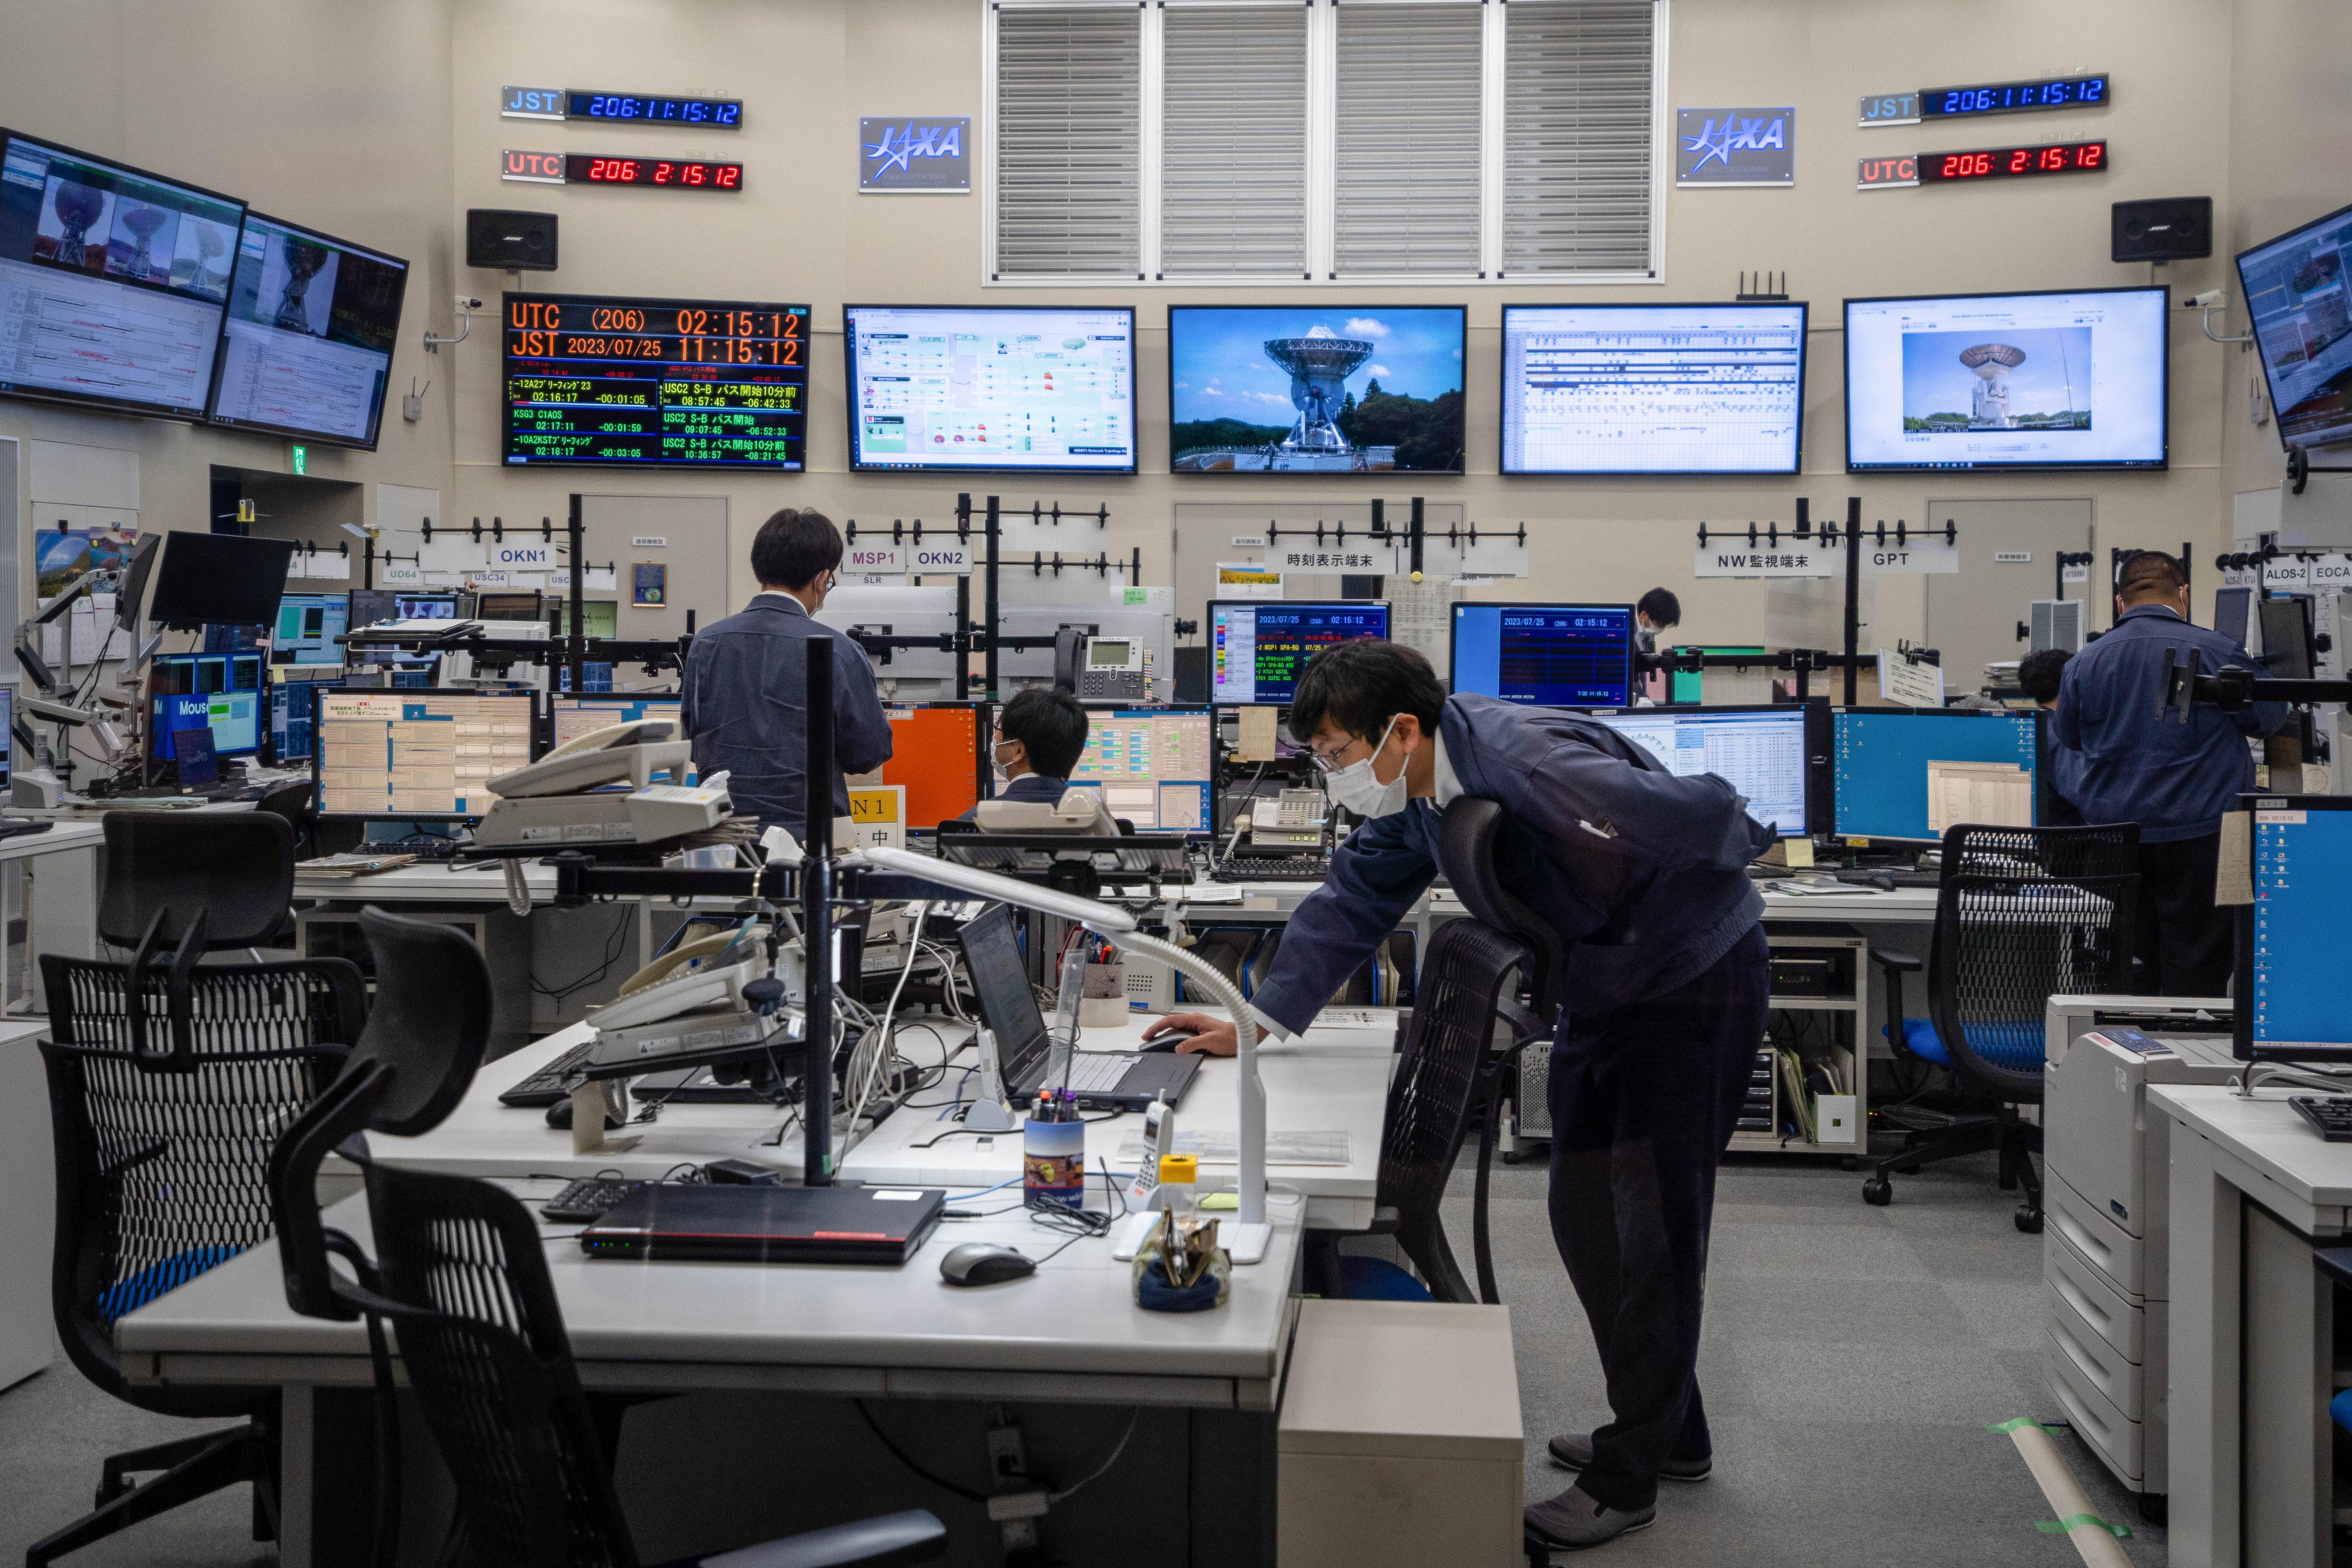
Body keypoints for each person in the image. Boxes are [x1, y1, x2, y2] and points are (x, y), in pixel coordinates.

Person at [1144, 638, 1772, 1552]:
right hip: (1607, 988)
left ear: (1400, 729)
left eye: (1336, 752)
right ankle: (1671, 1428)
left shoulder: (1525, 761)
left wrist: (1747, 844)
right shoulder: (1424, 789)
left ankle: (1628, 1473)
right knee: (1583, 1213)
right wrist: (1257, 1019)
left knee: (1655, 1228)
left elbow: (1701, 812)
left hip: (1690, 978)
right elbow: (1354, 896)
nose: (1333, 773)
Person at [2054, 550, 2288, 995]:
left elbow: (2070, 737)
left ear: (2120, 603)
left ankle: (2126, 1036)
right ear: (2184, 594)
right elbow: (2270, 718)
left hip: (2113, 839)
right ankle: (2189, 1036)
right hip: (2203, 835)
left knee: (2124, 964)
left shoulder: (2083, 662)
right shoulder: (2218, 651)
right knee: (2198, 968)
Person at [680, 508, 892, 845]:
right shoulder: (839, 650)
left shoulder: (706, 643)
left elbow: (694, 743)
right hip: (810, 843)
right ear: (822, 579)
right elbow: (868, 753)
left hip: (720, 840)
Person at [957, 687, 1089, 822]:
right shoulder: (1094, 820)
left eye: (998, 729)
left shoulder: (972, 822)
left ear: (1019, 751)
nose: (995, 737)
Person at [2017, 646, 2086, 824]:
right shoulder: (2060, 735)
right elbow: (2082, 794)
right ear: (2069, 684)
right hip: (2068, 835)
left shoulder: (2028, 725)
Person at [1635, 587, 1681, 654]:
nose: (1662, 629)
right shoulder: (1624, 627)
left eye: (1664, 626)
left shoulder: (1647, 630)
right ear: (1644, 615)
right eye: (1660, 624)